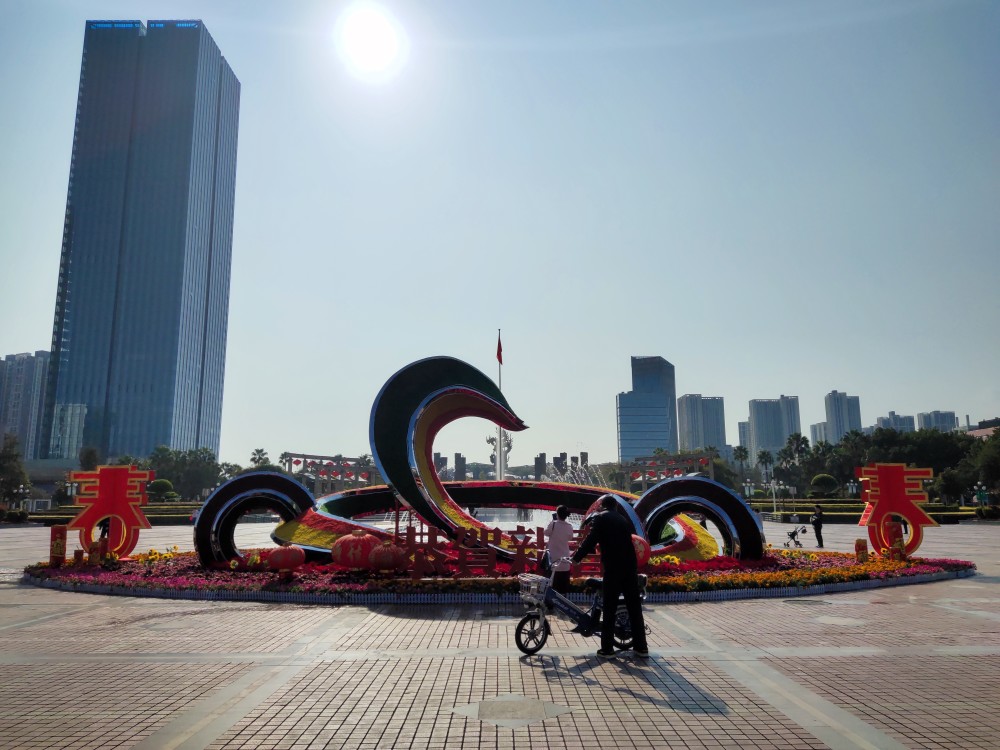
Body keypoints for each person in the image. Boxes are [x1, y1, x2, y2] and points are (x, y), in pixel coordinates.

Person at [571, 494, 649, 658]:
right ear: (615, 506)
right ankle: (641, 647)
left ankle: (607, 649)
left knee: (610, 608)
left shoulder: (601, 518)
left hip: (613, 569)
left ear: (602, 506)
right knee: (634, 609)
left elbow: (590, 540)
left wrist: (577, 558)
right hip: (629, 568)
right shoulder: (622, 519)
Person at [544, 506, 574, 595]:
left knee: (552, 585)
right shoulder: (569, 526)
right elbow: (570, 537)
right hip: (565, 559)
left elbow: (546, 532)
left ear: (557, 514)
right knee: (563, 587)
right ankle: (563, 605)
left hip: (553, 560)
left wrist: (552, 522)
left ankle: (550, 606)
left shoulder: (553, 524)